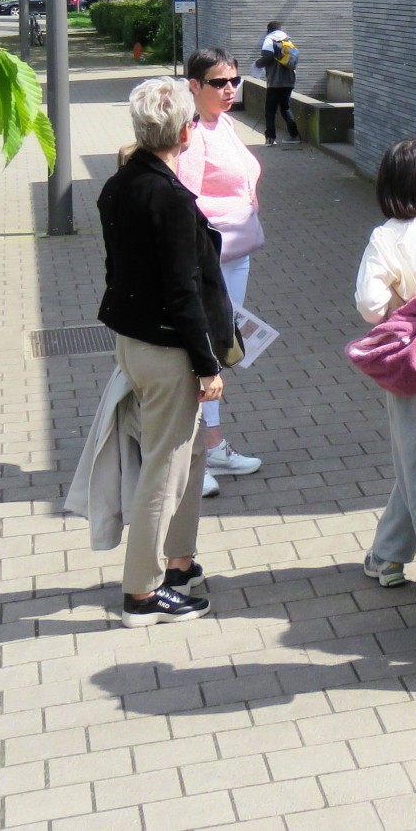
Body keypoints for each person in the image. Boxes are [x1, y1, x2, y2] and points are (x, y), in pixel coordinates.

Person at [95, 78, 233, 625]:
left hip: (134, 341)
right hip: (167, 347)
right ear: (182, 130)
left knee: (190, 455)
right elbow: (183, 290)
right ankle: (142, 592)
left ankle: (178, 562)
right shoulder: (169, 198)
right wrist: (207, 365)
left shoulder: (119, 184)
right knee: (164, 470)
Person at [355, 139, 416, 603]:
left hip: (411, 360)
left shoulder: (386, 236)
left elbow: (371, 306)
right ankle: (387, 555)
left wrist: (403, 305)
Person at [175, 48, 265, 497]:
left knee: (220, 349)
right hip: (210, 259)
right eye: (218, 82)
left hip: (237, 253)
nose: (229, 89)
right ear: (194, 86)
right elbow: (184, 201)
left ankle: (212, 445)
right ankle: (197, 453)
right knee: (203, 353)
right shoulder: (192, 134)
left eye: (234, 81)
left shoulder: (225, 124)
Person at [256, 20, 300, 146]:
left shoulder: (269, 40)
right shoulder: (288, 41)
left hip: (275, 81)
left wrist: (257, 64)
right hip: (289, 80)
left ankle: (270, 138)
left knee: (270, 110)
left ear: (269, 30)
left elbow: (267, 56)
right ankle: (294, 135)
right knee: (285, 108)